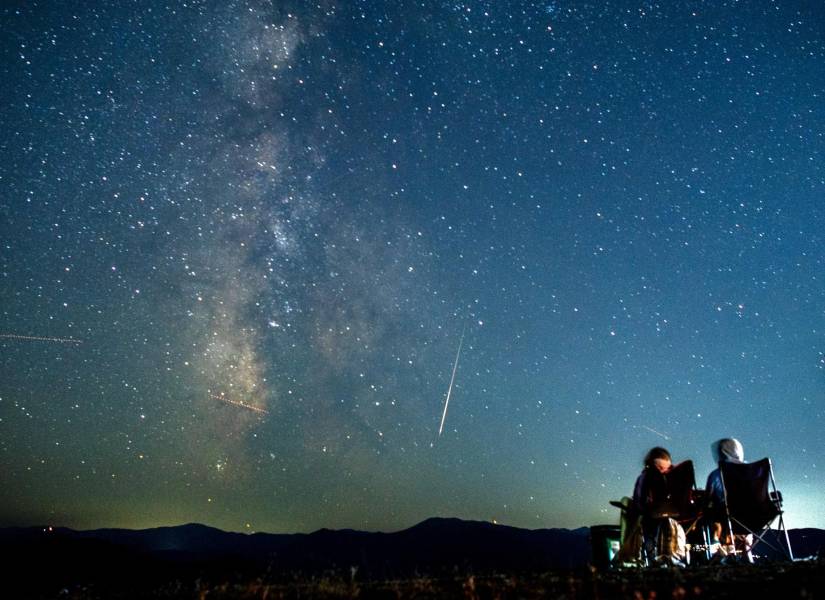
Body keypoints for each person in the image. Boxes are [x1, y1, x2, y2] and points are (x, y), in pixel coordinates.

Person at [705, 438, 752, 560]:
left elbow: (707, 499)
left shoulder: (716, 475)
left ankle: (717, 551)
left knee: (711, 514)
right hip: (753, 515)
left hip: (726, 516)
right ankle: (746, 551)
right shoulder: (754, 470)